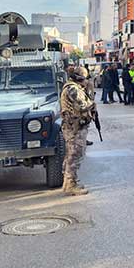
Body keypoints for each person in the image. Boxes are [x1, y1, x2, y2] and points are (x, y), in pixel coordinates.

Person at [59, 66, 97, 196]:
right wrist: (91, 96)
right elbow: (82, 106)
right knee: (74, 155)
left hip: (75, 127)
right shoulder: (72, 89)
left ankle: (68, 182)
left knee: (72, 155)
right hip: (73, 128)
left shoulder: (75, 87)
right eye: (85, 79)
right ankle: (71, 185)